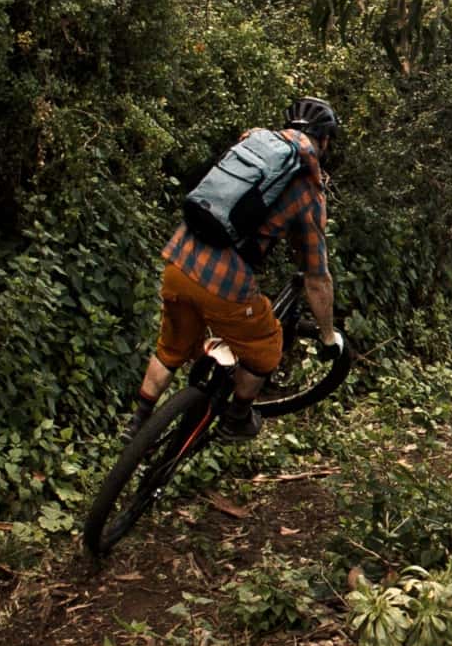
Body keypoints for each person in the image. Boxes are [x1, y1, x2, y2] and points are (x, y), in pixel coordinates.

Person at [125, 96, 343, 442]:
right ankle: (237, 418)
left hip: (180, 259)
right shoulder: (307, 188)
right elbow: (317, 278)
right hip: (225, 284)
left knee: (172, 348)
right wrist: (328, 335)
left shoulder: (252, 143)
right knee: (266, 345)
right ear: (325, 141)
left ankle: (138, 423)